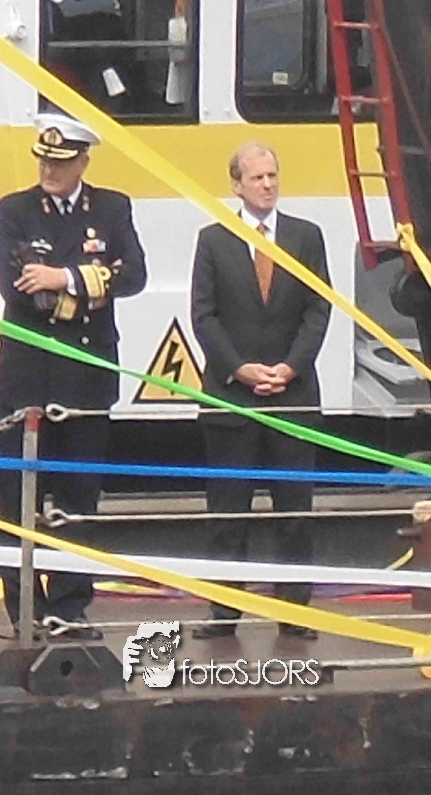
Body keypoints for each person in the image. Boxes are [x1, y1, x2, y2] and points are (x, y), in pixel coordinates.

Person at [0, 112, 147, 640]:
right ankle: (25, 610)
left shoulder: (111, 208)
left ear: (83, 162)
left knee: (79, 498)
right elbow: (18, 291)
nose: (48, 171)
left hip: (85, 376)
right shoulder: (14, 210)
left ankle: (70, 607)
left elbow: (134, 274)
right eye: (43, 161)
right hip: (28, 378)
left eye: (60, 163)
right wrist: (91, 286)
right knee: (19, 500)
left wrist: (64, 277)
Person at [189, 142, 330, 641]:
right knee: (228, 513)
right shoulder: (213, 240)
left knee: (294, 513)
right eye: (257, 177)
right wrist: (240, 369)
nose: (268, 184)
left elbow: (318, 309)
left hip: (293, 397)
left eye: (273, 175)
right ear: (237, 185)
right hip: (233, 400)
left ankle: (295, 613)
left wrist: (290, 367)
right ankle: (224, 612)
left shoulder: (306, 236)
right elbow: (204, 315)